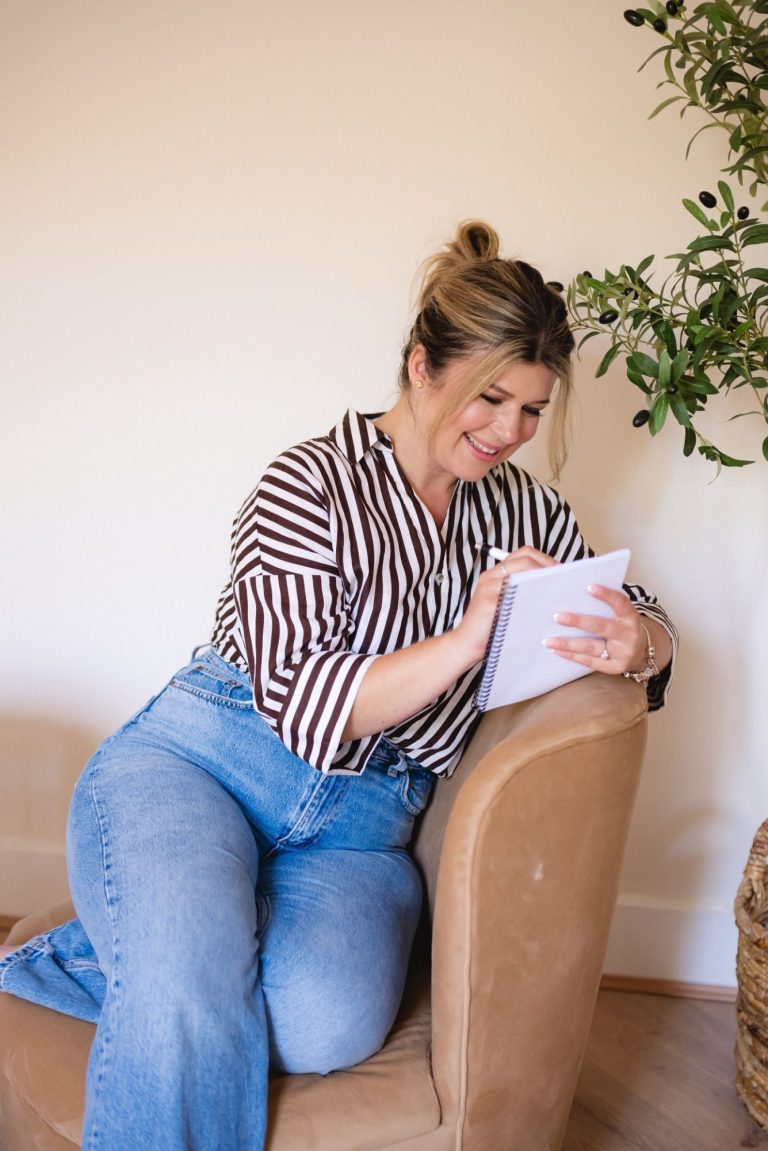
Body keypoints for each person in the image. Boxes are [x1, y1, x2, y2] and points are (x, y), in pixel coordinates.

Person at [0, 220, 677, 1150]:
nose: (510, 431)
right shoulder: (307, 483)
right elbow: (307, 700)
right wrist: (467, 639)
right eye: (491, 397)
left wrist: (640, 641)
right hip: (207, 763)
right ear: (421, 367)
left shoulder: (528, 510)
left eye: (532, 408)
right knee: (189, 967)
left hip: (364, 826)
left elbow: (643, 614)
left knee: (322, 1021)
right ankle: (177, 945)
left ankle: (110, 949)